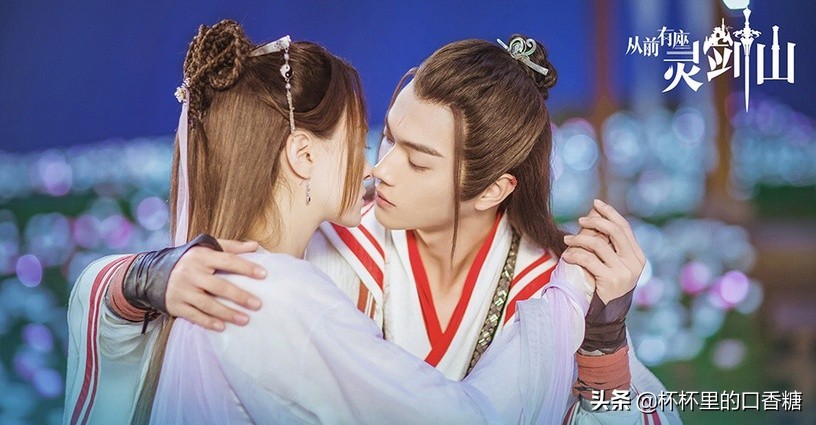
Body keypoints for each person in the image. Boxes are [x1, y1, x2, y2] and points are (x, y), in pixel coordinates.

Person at [65, 23, 679, 425]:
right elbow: (188, 317)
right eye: (388, 135)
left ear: (493, 189)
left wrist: (604, 345)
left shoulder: (543, 286)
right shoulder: (324, 237)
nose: (380, 168)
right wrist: (141, 278)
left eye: (418, 159)